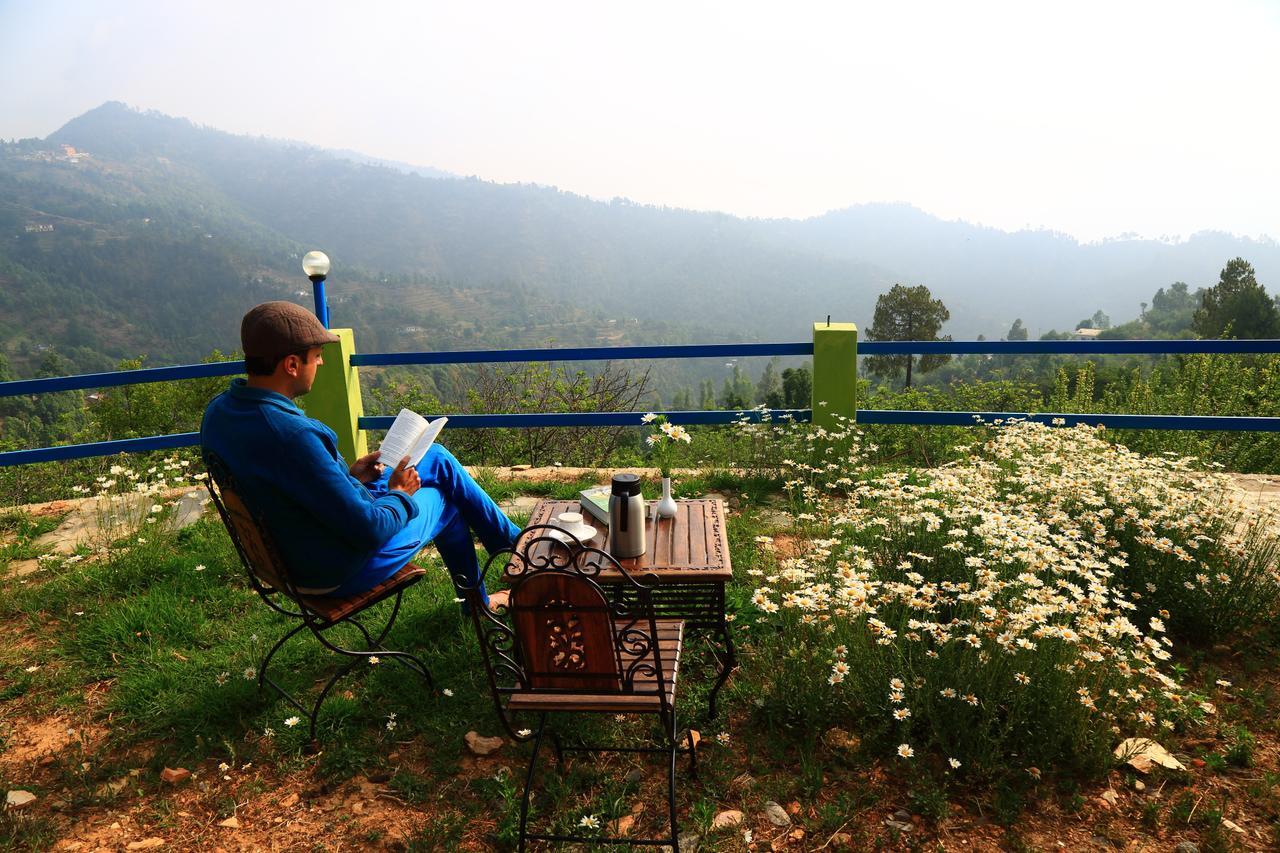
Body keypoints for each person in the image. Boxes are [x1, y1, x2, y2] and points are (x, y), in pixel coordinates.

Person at [200, 301, 519, 608]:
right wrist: (400, 494)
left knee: (434, 454)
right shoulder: (293, 435)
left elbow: (286, 483)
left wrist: (349, 476)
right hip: (334, 568)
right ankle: (499, 580)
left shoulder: (219, 413)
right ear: (292, 365)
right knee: (447, 502)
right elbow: (370, 530)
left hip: (292, 551)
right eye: (317, 355)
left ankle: (516, 545)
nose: (322, 363)